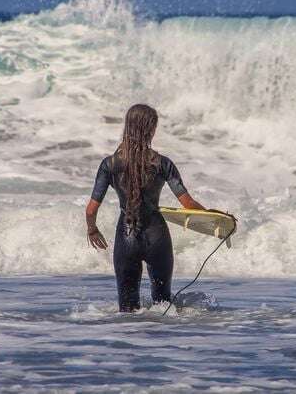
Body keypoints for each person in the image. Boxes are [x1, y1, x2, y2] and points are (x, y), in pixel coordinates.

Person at [85, 104, 207, 312]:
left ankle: (131, 343)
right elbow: (188, 204)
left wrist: (92, 229)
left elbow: (90, 209)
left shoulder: (109, 164)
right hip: (157, 238)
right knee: (163, 306)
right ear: (150, 129)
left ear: (128, 127)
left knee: (127, 310)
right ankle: (157, 344)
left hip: (126, 237)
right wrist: (215, 217)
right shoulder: (162, 163)